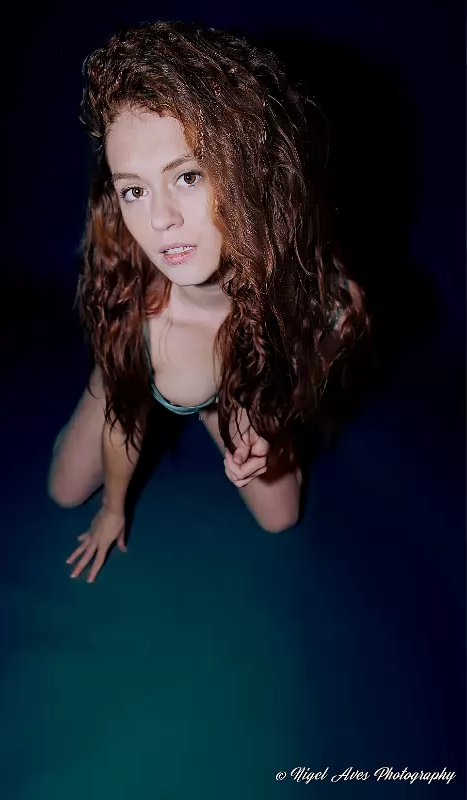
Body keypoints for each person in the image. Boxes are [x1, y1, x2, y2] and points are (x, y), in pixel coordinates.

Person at [47, 21, 370, 583]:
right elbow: (125, 428)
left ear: (248, 166)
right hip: (139, 365)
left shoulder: (296, 272)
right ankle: (116, 371)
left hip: (238, 382)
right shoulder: (146, 317)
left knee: (281, 517)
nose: (160, 219)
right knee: (64, 490)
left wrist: (274, 414)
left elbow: (344, 320)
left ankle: (210, 398)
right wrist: (114, 509)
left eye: (188, 176)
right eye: (135, 190)